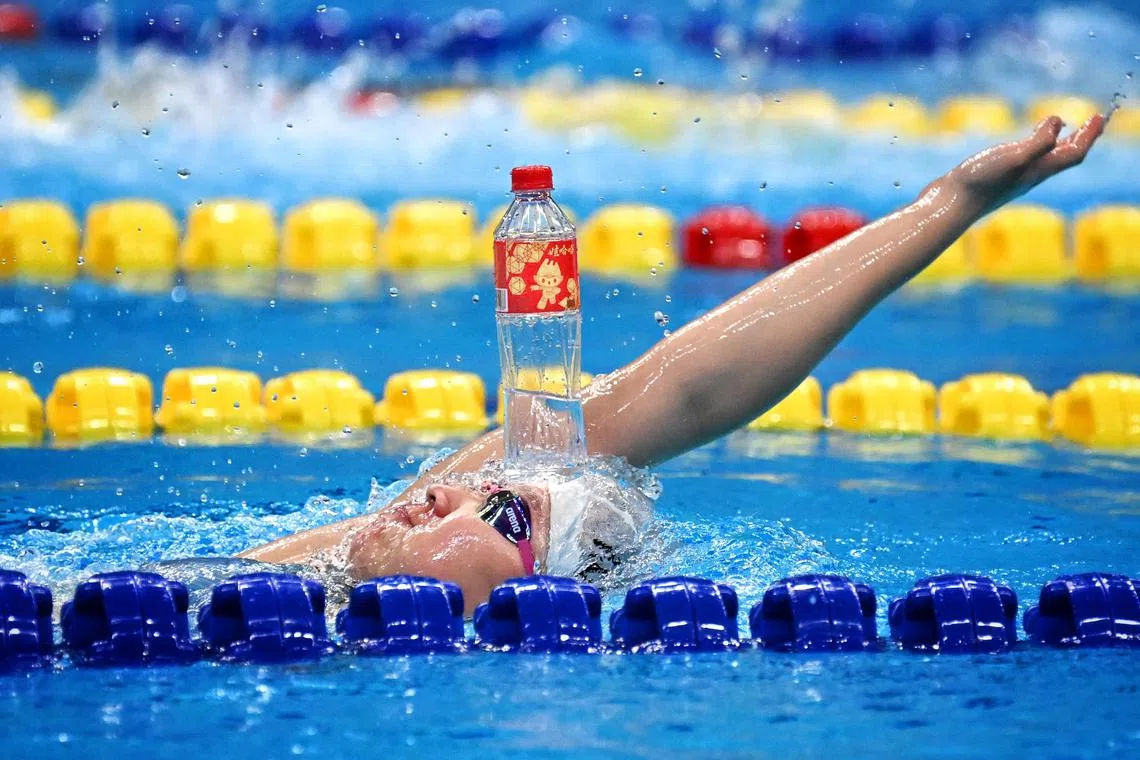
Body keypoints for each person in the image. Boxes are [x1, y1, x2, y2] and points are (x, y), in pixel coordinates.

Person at [243, 115, 1106, 615]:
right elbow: (683, 388)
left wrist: (959, 205)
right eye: (487, 491)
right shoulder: (272, 584)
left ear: (540, 606)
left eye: (503, 517)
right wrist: (945, 202)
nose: (442, 489)